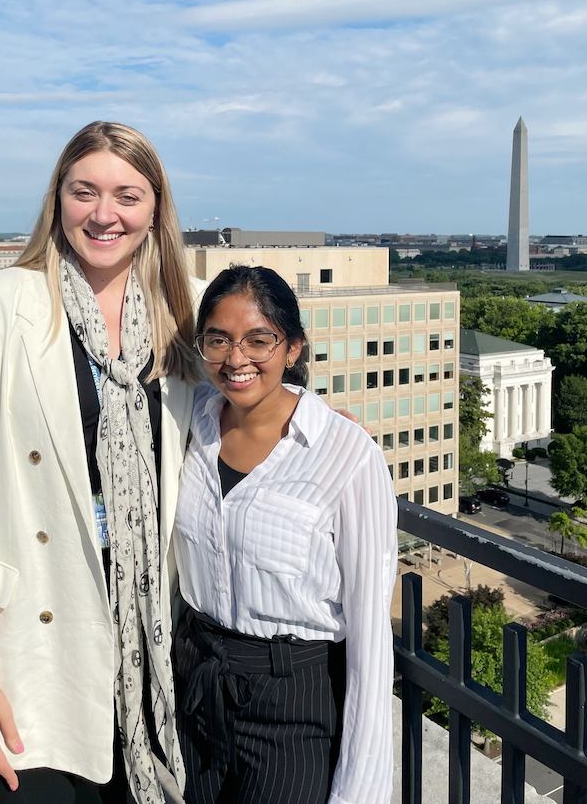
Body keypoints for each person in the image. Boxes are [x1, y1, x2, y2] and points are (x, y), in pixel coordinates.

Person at [0, 121, 203, 804]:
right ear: (59, 199)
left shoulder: (179, 311)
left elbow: (243, 405)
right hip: (30, 652)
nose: (105, 214)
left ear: (155, 209)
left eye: (127, 195)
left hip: (153, 645)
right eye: (86, 192)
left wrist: (310, 420)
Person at [172, 266, 398, 804]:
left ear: (292, 348)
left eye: (259, 340)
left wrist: (361, 789)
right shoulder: (189, 424)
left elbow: (369, 629)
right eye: (218, 339)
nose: (236, 358)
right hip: (198, 680)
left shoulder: (346, 455)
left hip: (291, 699)